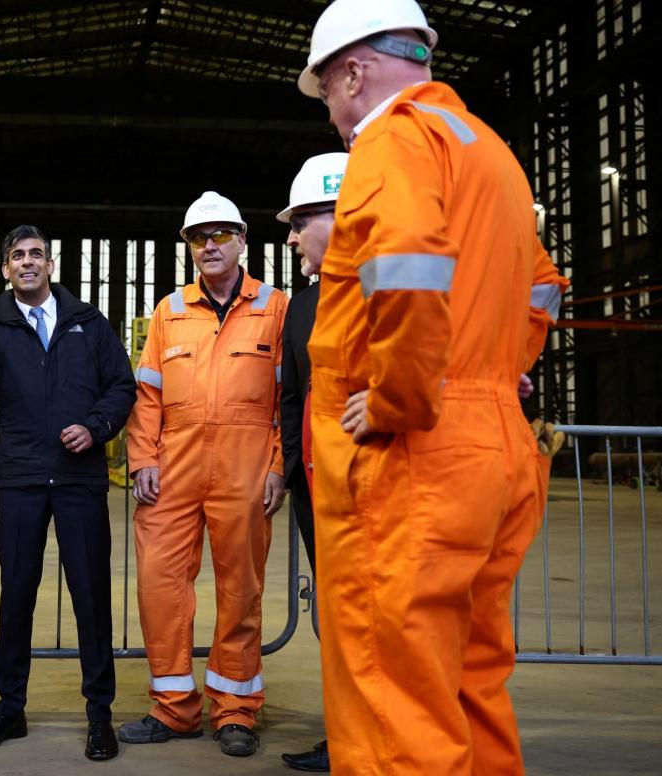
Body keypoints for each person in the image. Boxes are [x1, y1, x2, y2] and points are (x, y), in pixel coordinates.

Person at [295, 1, 569, 773]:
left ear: (353, 70)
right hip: (491, 445)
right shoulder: (490, 152)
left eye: (328, 97)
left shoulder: (393, 138)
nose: (335, 118)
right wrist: (495, 366)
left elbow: (408, 262)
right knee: (468, 675)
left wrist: (395, 396)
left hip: (415, 452)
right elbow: (543, 285)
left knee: (395, 697)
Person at [0, 225, 136, 761]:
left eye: (36, 254)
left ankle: (99, 716)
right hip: (21, 479)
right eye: (17, 256)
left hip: (80, 481)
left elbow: (123, 385)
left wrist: (96, 426)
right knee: (16, 595)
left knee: (91, 599)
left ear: (50, 264)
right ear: (5, 269)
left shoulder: (87, 323)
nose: (27, 262)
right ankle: (10, 709)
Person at [121, 191, 288, 758]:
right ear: (188, 247)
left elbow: (290, 399)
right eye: (199, 237)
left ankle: (235, 710)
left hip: (246, 467)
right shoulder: (169, 311)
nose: (210, 245)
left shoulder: (276, 306)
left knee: (240, 591)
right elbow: (147, 394)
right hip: (172, 466)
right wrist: (142, 458)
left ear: (243, 239)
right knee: (159, 587)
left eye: (221, 234)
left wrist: (278, 465)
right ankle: (173, 708)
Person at [275, 152, 348, 773]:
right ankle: (348, 734)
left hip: (374, 493)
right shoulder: (303, 304)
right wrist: (295, 466)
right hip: (316, 490)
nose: (292, 236)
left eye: (302, 221)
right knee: (339, 622)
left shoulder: (397, 290)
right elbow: (292, 394)